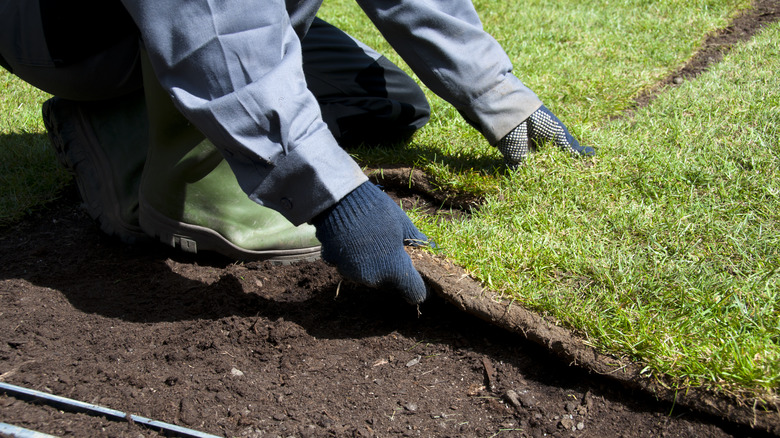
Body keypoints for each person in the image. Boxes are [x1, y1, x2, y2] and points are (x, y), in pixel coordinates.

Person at [0, 0, 594, 305]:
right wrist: (336, 198)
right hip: (77, 30)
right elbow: (211, 17)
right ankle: (143, 148)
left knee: (391, 102)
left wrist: (502, 98)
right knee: (213, 71)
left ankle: (196, 98)